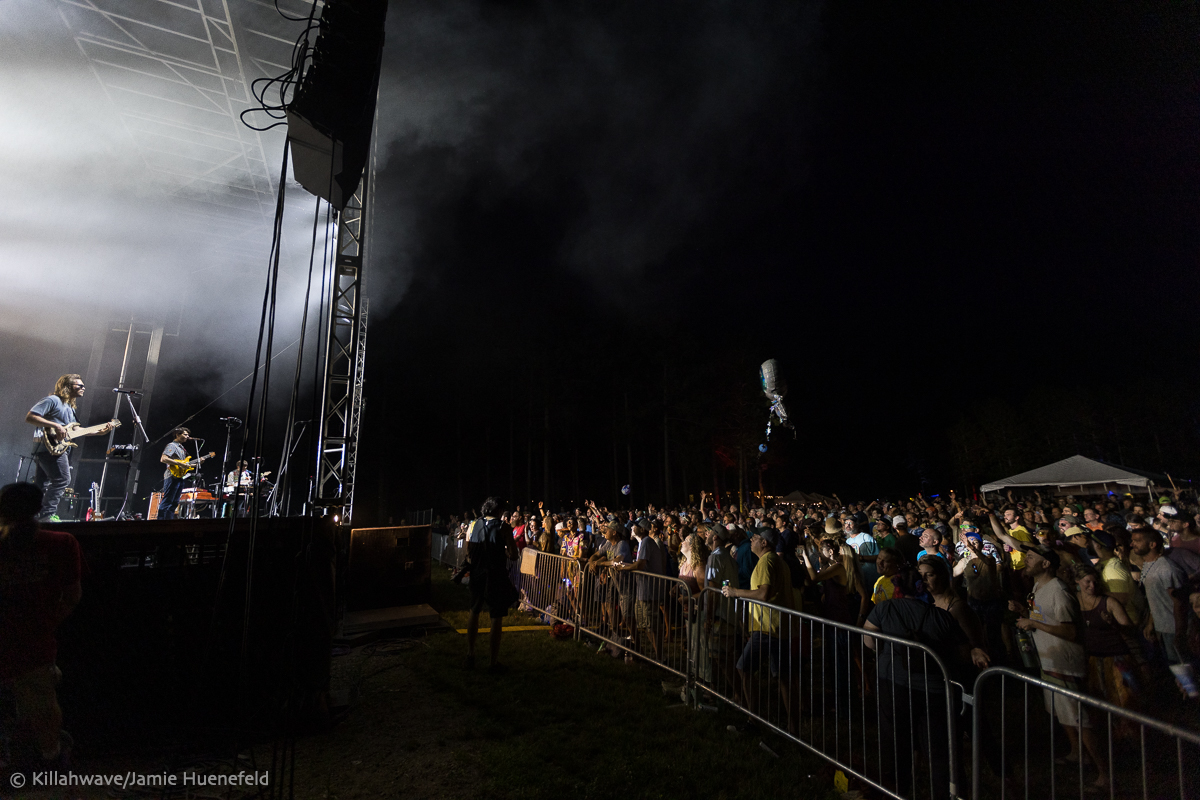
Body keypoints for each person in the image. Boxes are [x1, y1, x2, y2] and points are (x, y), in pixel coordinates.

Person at [1009, 547, 1108, 789]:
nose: (1026, 560)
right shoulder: (1038, 587)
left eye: (1031, 557)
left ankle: (1105, 773)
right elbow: (1045, 617)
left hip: (1066, 663)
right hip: (1049, 661)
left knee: (1078, 718)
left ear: (1046, 564)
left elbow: (1070, 631)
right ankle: (1077, 753)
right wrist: (1025, 613)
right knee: (1063, 714)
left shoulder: (1059, 591)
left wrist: (1032, 622)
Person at [0, 483, 81, 770]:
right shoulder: (62, 544)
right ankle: (50, 757)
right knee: (43, 703)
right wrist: (44, 624)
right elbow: (72, 596)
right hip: (36, 645)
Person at [722, 527, 799, 734]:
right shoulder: (778, 562)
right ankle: (793, 728)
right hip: (778, 627)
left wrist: (735, 592)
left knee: (743, 668)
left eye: (755, 538)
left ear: (764, 543)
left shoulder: (767, 561)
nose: (752, 541)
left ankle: (754, 721)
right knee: (783, 678)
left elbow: (763, 594)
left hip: (767, 629)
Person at [25, 374, 114, 522]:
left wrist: (100, 432)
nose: (83, 387)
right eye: (79, 385)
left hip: (54, 449)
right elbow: (30, 417)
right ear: (67, 386)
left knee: (42, 484)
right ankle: (47, 515)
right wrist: (55, 425)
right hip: (49, 448)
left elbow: (76, 431)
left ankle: (31, 516)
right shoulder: (53, 400)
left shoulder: (70, 408)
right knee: (62, 479)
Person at [464, 496, 519, 673]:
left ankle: (470, 654)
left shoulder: (473, 525)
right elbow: (513, 554)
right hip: (496, 576)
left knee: (474, 611)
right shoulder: (503, 527)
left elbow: (468, 551)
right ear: (499, 511)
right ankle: (493, 662)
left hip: (477, 574)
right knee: (496, 617)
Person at [1132, 528, 1188, 665]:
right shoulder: (1148, 564)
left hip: (1173, 629)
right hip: (1162, 628)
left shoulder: (1166, 568)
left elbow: (1179, 602)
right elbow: (1154, 597)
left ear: (1152, 544)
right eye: (1132, 540)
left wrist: (1179, 633)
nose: (1133, 544)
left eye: (1138, 541)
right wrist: (1151, 623)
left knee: (1182, 668)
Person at [158, 428, 193, 520]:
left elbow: (184, 463)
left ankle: (168, 522)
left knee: (174, 502)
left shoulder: (182, 448)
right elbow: (163, 459)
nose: (187, 437)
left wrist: (197, 463)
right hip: (171, 476)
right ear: (177, 435)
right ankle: (159, 523)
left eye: (188, 435)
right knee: (167, 501)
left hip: (180, 476)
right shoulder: (172, 445)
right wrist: (179, 463)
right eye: (185, 434)